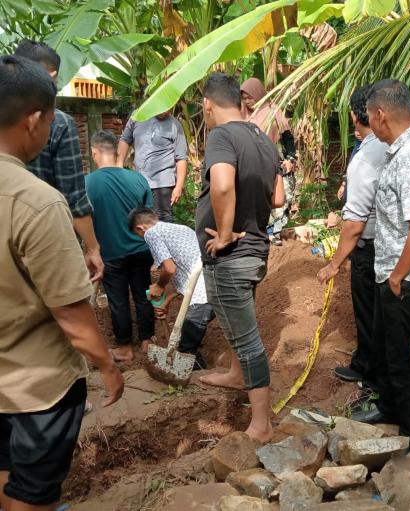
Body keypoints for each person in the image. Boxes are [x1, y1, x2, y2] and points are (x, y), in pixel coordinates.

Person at [0, 55, 124, 511]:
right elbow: (71, 313)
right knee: (33, 491)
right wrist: (107, 366)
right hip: (36, 385)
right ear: (34, 120)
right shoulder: (35, 202)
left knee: (5, 470)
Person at [350, 79, 410, 448]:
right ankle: (388, 407)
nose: (368, 122)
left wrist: (398, 276)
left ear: (380, 115)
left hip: (406, 275)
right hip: (393, 270)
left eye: (368, 115)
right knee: (387, 348)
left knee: (399, 355)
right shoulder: (399, 153)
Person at [196, 73, 284, 443]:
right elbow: (278, 198)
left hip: (231, 257)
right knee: (239, 323)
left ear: (208, 105)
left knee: (248, 341)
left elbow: (223, 184)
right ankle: (236, 374)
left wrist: (227, 230)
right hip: (256, 252)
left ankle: (261, 426)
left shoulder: (221, 136)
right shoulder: (263, 139)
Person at [14, 40, 104, 282]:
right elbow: (74, 196)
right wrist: (93, 248)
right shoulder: (58, 122)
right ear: (51, 76)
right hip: (49, 241)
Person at [317, 85, 389, 385]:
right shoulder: (393, 146)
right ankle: (374, 367)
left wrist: (334, 264)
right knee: (382, 315)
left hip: (369, 247)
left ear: (356, 115)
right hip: (389, 244)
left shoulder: (365, 157)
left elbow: (355, 223)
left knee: (367, 312)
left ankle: (369, 374)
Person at [87, 131, 156, 362]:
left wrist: (90, 249)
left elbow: (81, 218)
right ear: (118, 153)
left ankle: (125, 347)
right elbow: (149, 217)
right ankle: (147, 341)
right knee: (143, 293)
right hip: (141, 250)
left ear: (94, 153)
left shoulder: (88, 183)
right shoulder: (138, 179)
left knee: (118, 300)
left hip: (112, 253)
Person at [129, 206, 214, 369]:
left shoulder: (151, 233)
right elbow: (188, 271)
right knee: (187, 339)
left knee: (185, 348)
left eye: (138, 234)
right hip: (213, 287)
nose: (141, 237)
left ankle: (195, 382)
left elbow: (169, 268)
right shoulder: (180, 228)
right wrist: (166, 301)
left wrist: (159, 286)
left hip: (202, 296)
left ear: (140, 228)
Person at [241, 77, 296, 246]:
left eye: (250, 97)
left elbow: (287, 137)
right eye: (244, 98)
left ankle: (274, 232)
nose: (247, 101)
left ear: (259, 95)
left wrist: (291, 159)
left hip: (274, 161)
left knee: (279, 196)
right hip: (252, 164)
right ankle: (260, 231)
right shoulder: (242, 114)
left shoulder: (274, 111)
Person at [117, 109, 189, 222]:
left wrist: (179, 186)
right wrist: (118, 166)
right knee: (139, 220)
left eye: (170, 107)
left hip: (163, 183)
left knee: (162, 221)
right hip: (139, 181)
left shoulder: (175, 125)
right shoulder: (137, 116)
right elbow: (125, 140)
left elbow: (181, 158)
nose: (166, 110)